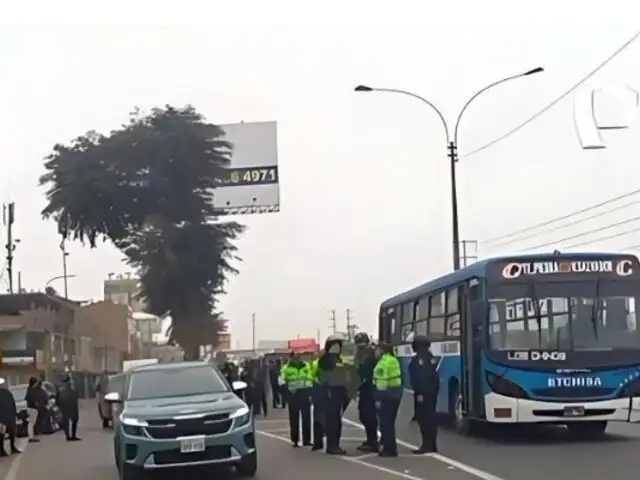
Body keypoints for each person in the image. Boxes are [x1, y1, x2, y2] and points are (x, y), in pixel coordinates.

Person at [315, 335, 350, 455]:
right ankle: (332, 445)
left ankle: (336, 444)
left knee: (337, 419)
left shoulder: (339, 359)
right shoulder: (325, 360)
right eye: (335, 345)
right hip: (331, 391)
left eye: (339, 345)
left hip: (340, 391)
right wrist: (327, 390)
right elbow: (322, 377)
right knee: (332, 419)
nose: (337, 347)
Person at [408, 335, 439, 453]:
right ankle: (431, 445)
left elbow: (422, 378)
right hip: (430, 392)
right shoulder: (430, 358)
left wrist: (420, 393)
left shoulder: (421, 359)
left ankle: (427, 445)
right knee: (429, 418)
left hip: (424, 393)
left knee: (425, 419)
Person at [373, 343, 402, 457]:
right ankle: (390, 447)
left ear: (382, 351)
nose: (375, 352)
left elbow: (381, 383)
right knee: (390, 421)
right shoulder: (393, 360)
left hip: (386, 395)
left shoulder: (383, 363)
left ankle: (389, 449)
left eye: (377, 350)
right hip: (395, 394)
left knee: (385, 423)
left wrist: (378, 399)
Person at [281, 351, 312, 447]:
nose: (296, 358)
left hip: (304, 394)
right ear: (290, 357)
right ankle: (295, 440)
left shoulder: (306, 365)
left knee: (306, 418)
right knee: (294, 419)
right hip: (293, 395)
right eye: (294, 356)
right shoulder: (285, 368)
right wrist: (287, 391)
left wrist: (309, 390)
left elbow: (310, 378)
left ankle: (307, 440)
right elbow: (281, 381)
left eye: (298, 356)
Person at [353, 332, 378, 452]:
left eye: (362, 345)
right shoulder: (359, 354)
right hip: (363, 388)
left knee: (369, 415)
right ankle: (370, 439)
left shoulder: (371, 353)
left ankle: (373, 441)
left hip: (370, 388)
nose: (360, 347)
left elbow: (366, 370)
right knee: (364, 415)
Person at [0, 378, 21, 456]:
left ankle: (12, 447)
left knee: (12, 432)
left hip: (9, 416)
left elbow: (13, 403)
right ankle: (2, 450)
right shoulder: (7, 393)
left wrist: (14, 414)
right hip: (3, 417)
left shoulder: (7, 393)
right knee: (2, 433)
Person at [57, 374, 81, 441]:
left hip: (65, 407)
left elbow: (57, 399)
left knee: (67, 422)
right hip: (71, 407)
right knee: (73, 421)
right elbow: (76, 395)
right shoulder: (70, 388)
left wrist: (59, 406)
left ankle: (68, 436)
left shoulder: (61, 389)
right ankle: (72, 436)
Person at [24, 377, 41, 443]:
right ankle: (31, 437)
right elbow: (33, 400)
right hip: (33, 409)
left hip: (30, 408)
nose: (37, 384)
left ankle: (31, 436)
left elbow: (26, 399)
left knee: (31, 423)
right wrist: (37, 405)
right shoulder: (32, 390)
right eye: (36, 382)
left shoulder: (29, 389)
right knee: (31, 423)